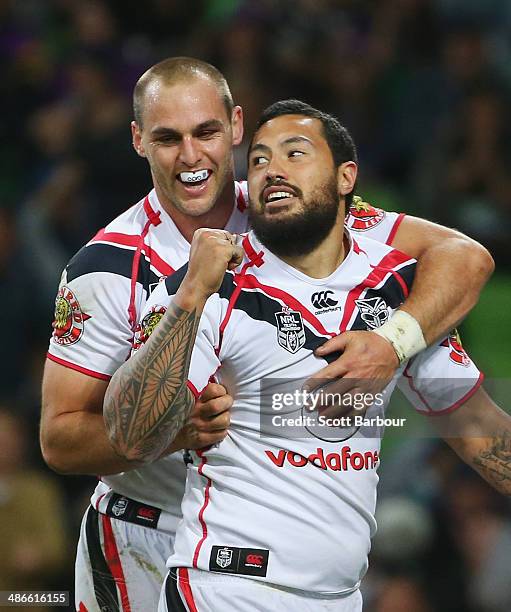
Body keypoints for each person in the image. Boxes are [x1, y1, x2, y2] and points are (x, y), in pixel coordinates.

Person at [40, 58, 493, 611]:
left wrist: (392, 341)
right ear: (138, 140)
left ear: (234, 126)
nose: (190, 157)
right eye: (167, 138)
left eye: (206, 133)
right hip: (148, 536)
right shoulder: (104, 269)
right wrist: (173, 430)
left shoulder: (289, 207)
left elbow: (463, 256)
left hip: (299, 560)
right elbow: (59, 439)